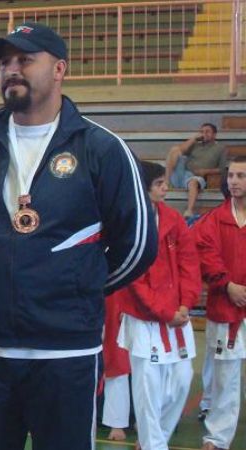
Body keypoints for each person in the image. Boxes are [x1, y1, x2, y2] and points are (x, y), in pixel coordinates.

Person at [0, 22, 157, 450]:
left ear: (59, 68)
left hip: (64, 355)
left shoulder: (102, 149)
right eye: (4, 62)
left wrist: (78, 287)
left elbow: (138, 245)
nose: (11, 70)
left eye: (25, 59)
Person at [116, 160, 201, 450]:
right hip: (145, 317)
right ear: (144, 187)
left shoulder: (174, 219)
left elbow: (189, 262)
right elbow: (133, 275)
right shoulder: (129, 221)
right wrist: (164, 311)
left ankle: (155, 440)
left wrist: (187, 304)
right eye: (159, 184)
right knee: (147, 389)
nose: (166, 188)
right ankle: (154, 446)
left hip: (178, 314)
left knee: (181, 381)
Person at [193, 155, 246, 450]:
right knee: (225, 376)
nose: (234, 182)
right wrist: (227, 284)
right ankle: (216, 438)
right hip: (225, 307)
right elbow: (203, 253)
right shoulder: (214, 219)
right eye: (231, 176)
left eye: (240, 176)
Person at [165, 123, 228, 217]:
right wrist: (193, 138)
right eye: (202, 132)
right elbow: (180, 149)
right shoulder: (195, 145)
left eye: (207, 132)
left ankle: (189, 210)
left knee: (193, 182)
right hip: (183, 173)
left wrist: (205, 171)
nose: (204, 134)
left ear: (214, 134)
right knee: (174, 150)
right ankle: (166, 181)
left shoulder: (221, 148)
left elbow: (222, 169)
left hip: (198, 177)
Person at [101, 290, 131, 441]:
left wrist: (128, 304)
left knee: (117, 362)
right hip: (88, 293)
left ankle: (117, 423)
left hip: (118, 296)